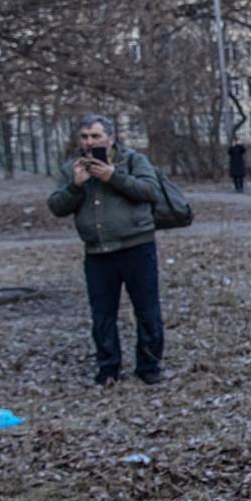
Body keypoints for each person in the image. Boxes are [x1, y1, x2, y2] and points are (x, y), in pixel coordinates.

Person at [47, 114, 165, 386]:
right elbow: (56, 206)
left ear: (111, 138)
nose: (90, 143)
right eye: (85, 137)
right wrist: (76, 186)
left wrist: (113, 176)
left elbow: (151, 191)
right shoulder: (72, 168)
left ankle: (149, 366)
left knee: (147, 310)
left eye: (96, 136)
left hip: (137, 247)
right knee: (102, 315)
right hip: (98, 252)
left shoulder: (132, 160)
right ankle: (108, 367)